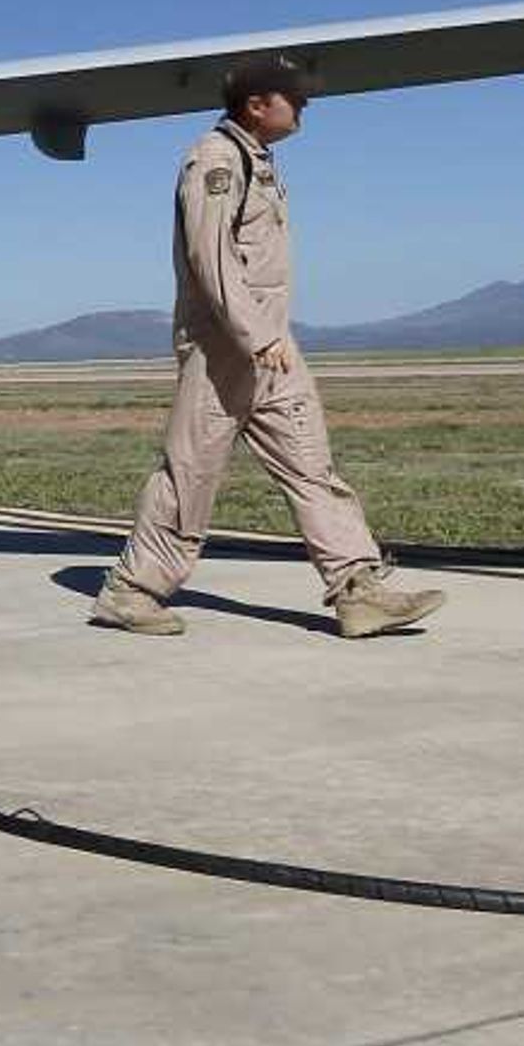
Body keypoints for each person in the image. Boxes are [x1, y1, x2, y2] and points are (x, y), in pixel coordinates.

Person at [91, 57, 445, 640]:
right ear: (257, 104)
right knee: (192, 470)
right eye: (294, 97)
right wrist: (256, 334)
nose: (303, 106)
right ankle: (131, 591)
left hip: (270, 344)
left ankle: (358, 589)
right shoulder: (216, 158)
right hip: (226, 345)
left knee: (311, 462)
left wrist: (271, 336)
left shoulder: (257, 161)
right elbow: (212, 257)